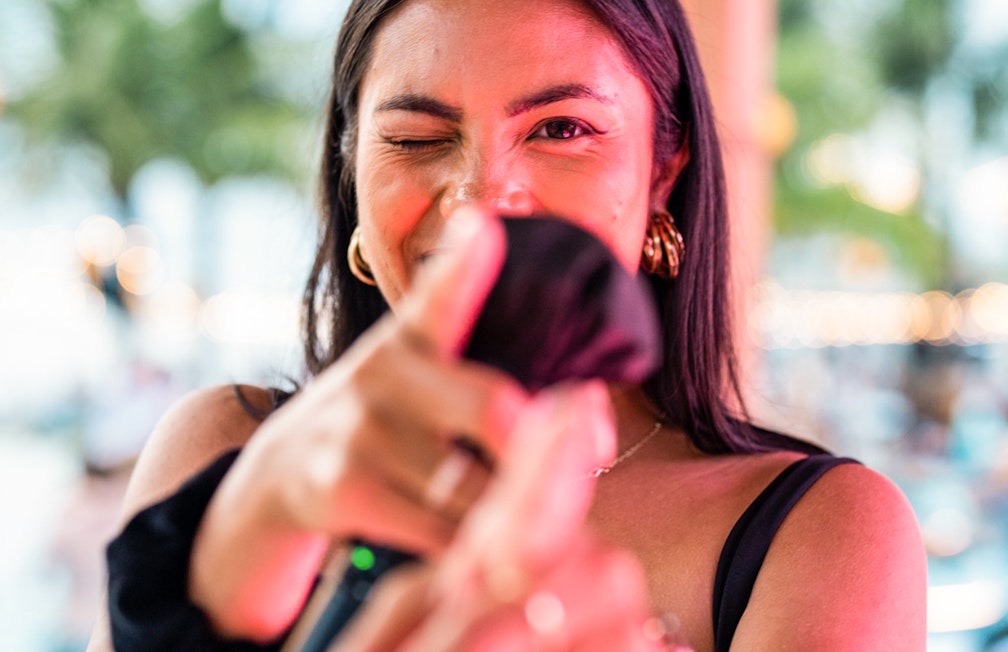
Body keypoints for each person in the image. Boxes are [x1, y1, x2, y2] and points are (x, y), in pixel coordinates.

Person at [89, 0, 928, 649]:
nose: (483, 203)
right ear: (352, 176)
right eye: (417, 140)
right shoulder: (224, 454)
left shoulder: (822, 533)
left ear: (662, 174)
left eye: (562, 130)